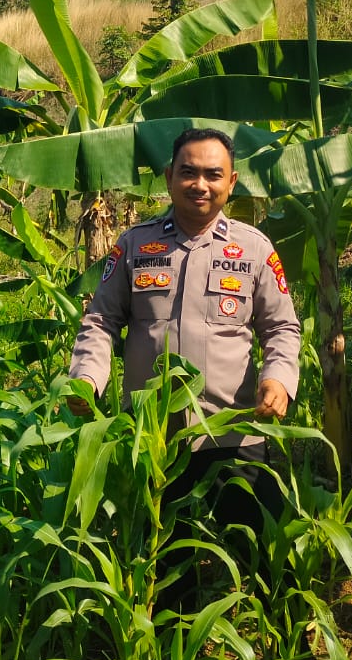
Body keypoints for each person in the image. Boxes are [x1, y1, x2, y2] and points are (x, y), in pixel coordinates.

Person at [66, 126, 302, 534]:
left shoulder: (254, 248)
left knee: (254, 547)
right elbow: (102, 320)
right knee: (160, 557)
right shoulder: (135, 245)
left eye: (213, 174)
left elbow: (281, 327)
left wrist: (278, 379)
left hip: (231, 433)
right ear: (169, 176)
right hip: (153, 435)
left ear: (232, 181)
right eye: (188, 172)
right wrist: (87, 377)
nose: (200, 184)